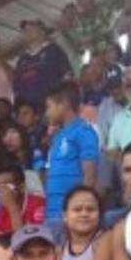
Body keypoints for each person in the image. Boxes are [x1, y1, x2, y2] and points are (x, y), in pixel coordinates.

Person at [41, 83, 100, 221]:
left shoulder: (84, 131)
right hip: (52, 213)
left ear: (64, 104)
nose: (46, 113)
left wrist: (82, 209)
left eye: (49, 107)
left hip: (73, 215)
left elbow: (89, 174)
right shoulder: (58, 135)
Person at [13, 19, 73, 113]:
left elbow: (67, 77)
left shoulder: (54, 50)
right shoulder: (22, 60)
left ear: (42, 31)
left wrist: (62, 102)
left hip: (52, 108)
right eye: (25, 30)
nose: (27, 33)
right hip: (30, 113)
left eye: (31, 29)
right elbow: (16, 87)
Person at [58, 186, 113, 260]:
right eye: (77, 209)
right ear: (65, 216)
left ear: (99, 215)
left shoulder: (106, 240)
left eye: (90, 209)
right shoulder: (60, 249)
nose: (84, 214)